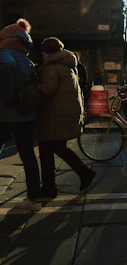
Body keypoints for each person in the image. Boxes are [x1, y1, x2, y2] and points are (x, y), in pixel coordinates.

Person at [36, 37, 96, 198]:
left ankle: (79, 175)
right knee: (53, 148)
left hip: (55, 115)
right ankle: (51, 186)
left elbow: (47, 91)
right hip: (65, 113)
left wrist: (33, 85)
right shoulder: (68, 65)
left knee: (50, 148)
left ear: (46, 52)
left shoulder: (52, 67)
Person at [0, 19, 41, 211]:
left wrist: (5, 95)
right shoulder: (27, 58)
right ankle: (34, 199)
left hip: (6, 114)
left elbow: (7, 68)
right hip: (26, 115)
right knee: (28, 156)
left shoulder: (6, 53)